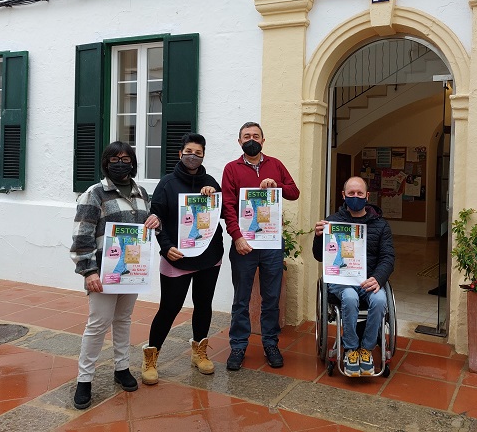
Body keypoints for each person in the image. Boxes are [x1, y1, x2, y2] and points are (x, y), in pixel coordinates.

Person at [70, 141, 159, 409]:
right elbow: (82, 235)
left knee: (123, 320)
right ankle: (84, 380)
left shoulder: (141, 192)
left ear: (133, 162)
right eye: (114, 159)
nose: (121, 163)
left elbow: (147, 224)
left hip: (132, 271)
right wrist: (88, 271)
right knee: (98, 325)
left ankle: (122, 369)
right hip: (104, 273)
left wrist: (156, 220)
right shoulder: (95, 194)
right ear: (106, 163)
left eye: (126, 158)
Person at [142, 133, 224, 383]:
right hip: (176, 257)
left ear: (203, 156)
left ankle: (199, 352)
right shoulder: (166, 183)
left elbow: (218, 214)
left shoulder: (210, 182)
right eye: (189, 151)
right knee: (169, 308)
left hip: (209, 258)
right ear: (180, 154)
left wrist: (214, 195)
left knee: (203, 305)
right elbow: (156, 220)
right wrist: (166, 247)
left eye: (198, 153)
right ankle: (151, 356)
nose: (193, 156)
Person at [221, 122, 300, 371]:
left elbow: (294, 192)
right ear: (239, 141)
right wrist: (236, 237)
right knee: (241, 299)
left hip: (272, 243)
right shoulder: (231, 169)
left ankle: (270, 343)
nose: (251, 139)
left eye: (256, 136)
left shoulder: (275, 165)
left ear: (263, 141)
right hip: (244, 244)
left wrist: (277, 186)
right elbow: (228, 206)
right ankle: (238, 346)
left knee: (271, 297)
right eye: (246, 136)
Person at [312, 176, 395, 377]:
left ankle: (366, 348)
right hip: (342, 282)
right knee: (349, 297)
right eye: (351, 193)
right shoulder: (332, 222)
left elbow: (388, 257)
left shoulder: (381, 225)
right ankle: (350, 348)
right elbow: (318, 256)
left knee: (380, 299)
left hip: (369, 279)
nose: (355, 197)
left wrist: (378, 278)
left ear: (367, 196)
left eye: (359, 193)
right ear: (344, 195)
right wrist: (317, 238)